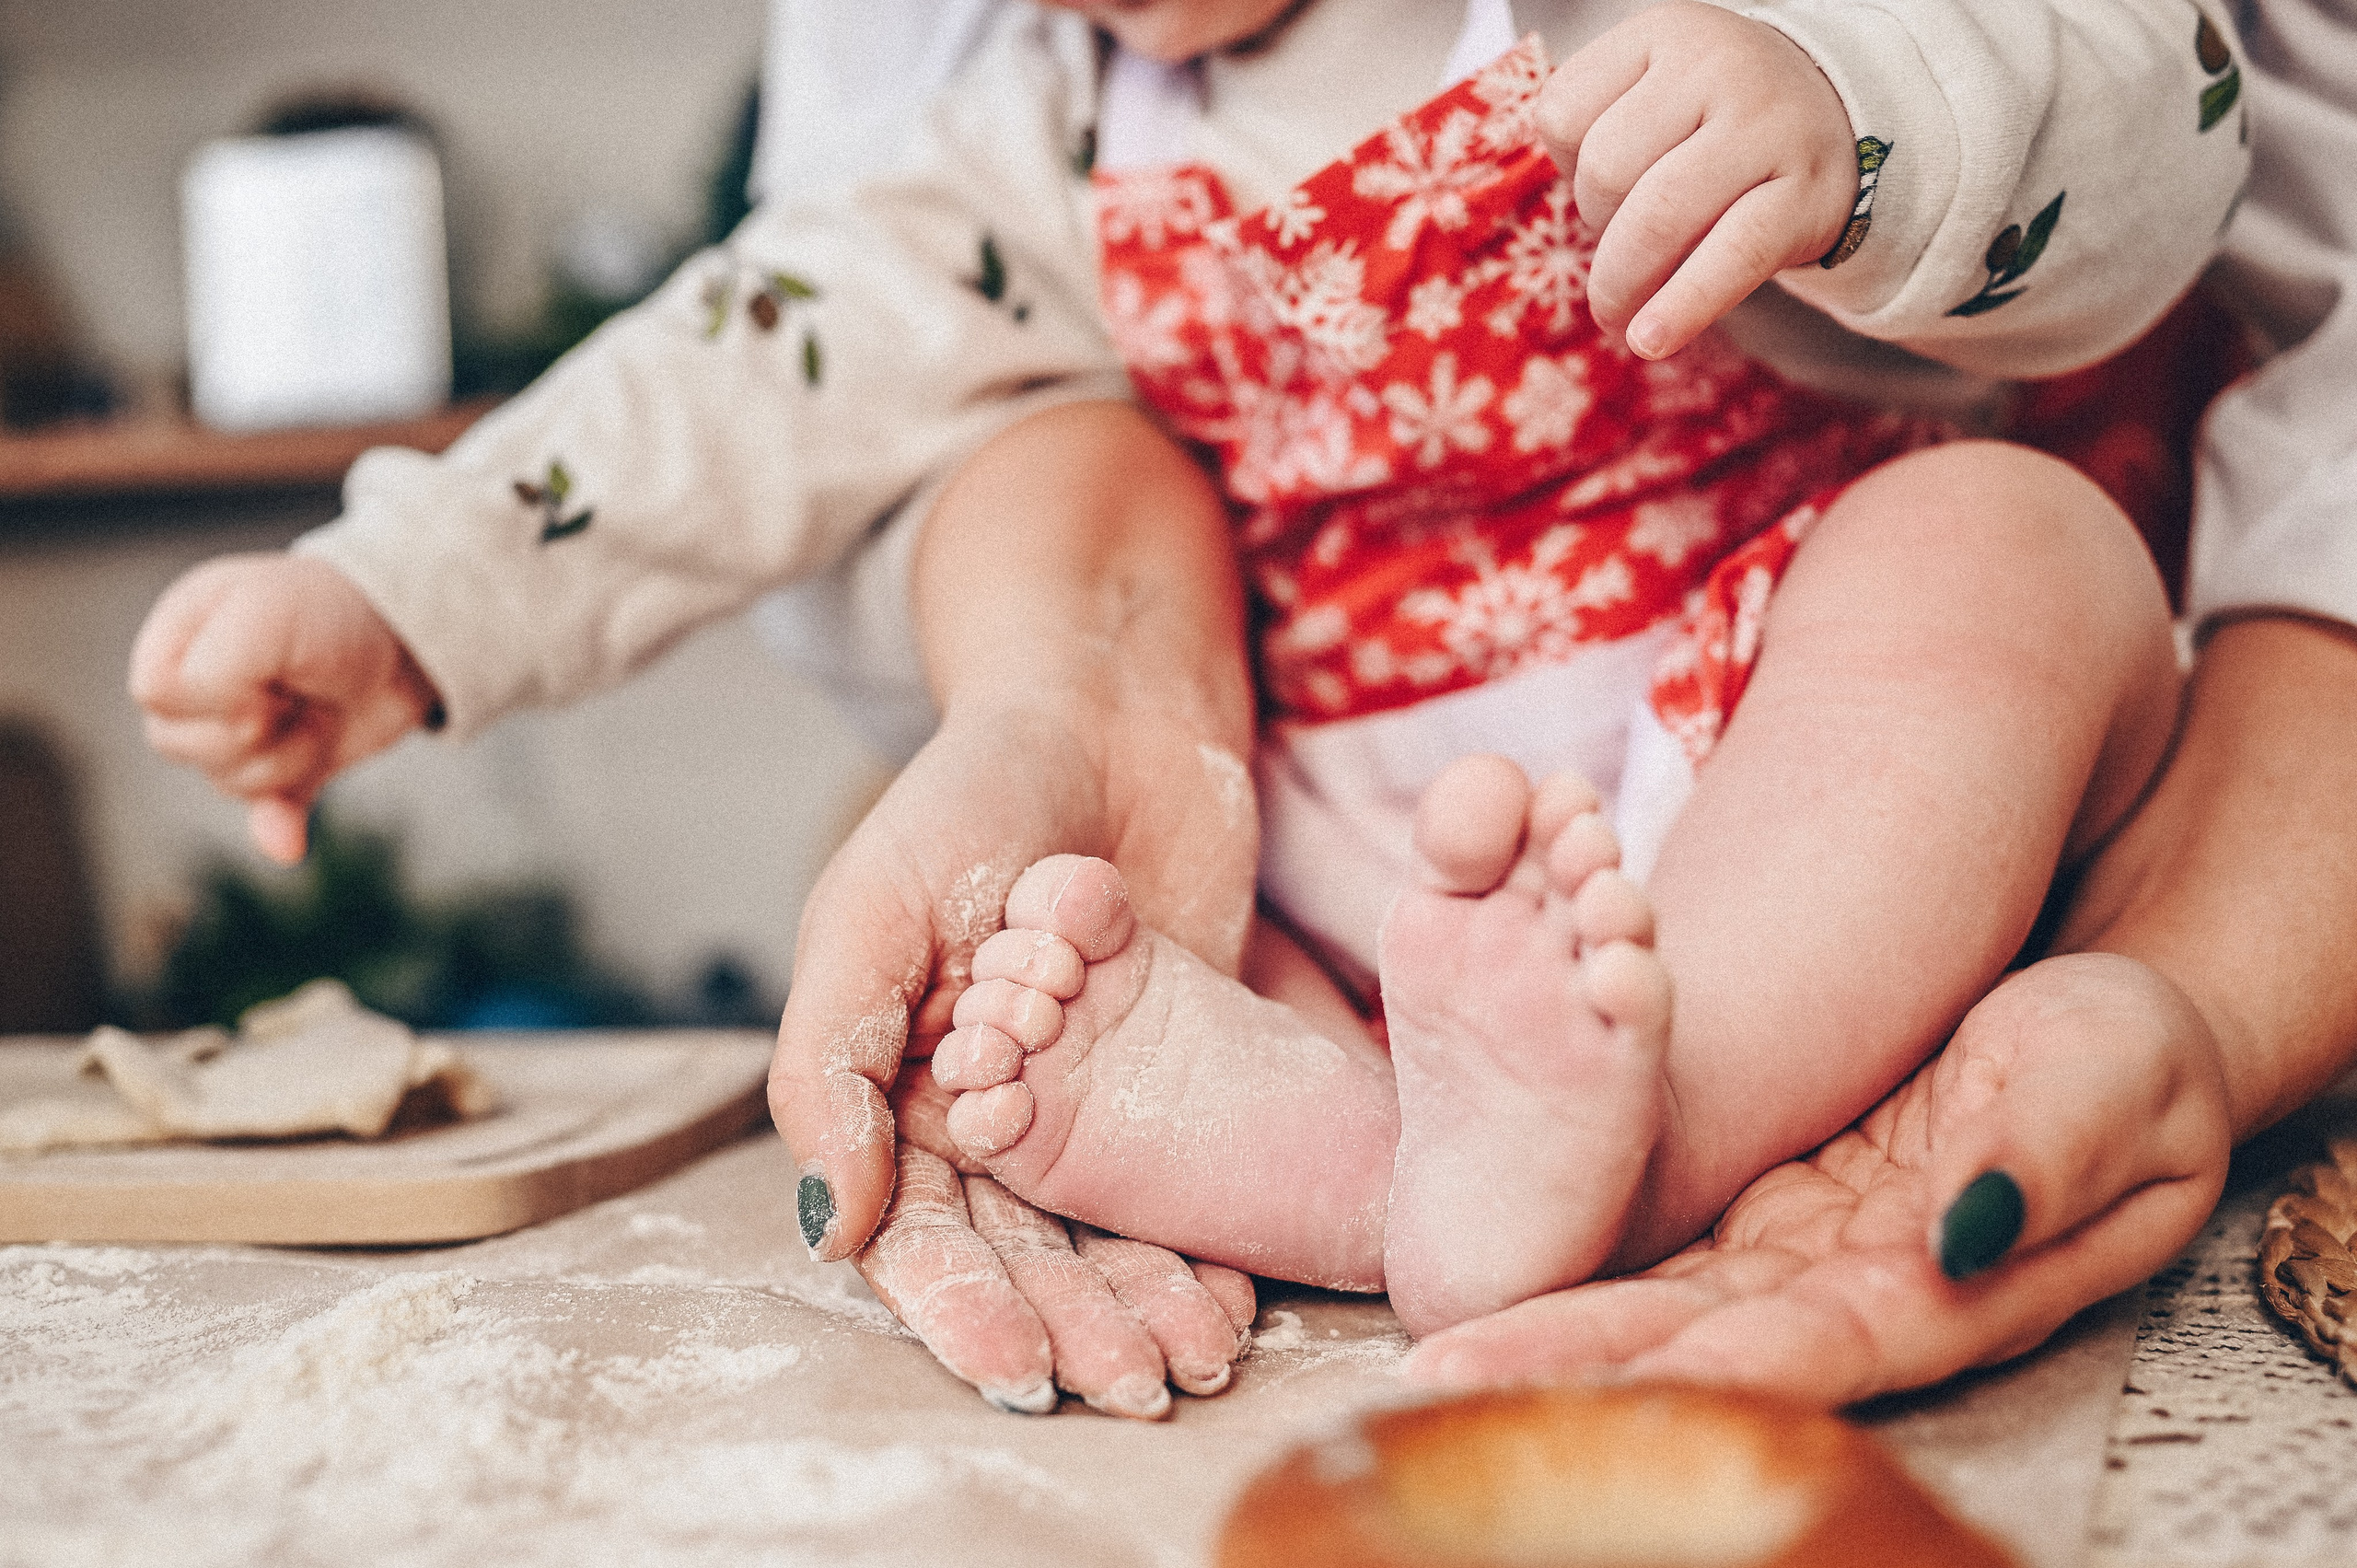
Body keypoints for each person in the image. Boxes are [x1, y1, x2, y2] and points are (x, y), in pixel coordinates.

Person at [130, 0, 2252, 1410]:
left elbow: (2161, 101)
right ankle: (1380, 1158)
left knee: (2006, 549)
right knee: (1137, 895)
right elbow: (750, 360)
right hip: (1357, 839)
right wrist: (404, 592)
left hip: (1780, 722)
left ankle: (1647, 1120)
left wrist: (1852, 121)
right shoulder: (1039, 134)